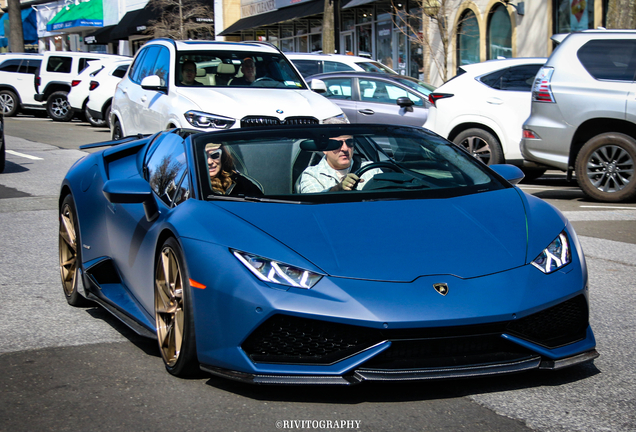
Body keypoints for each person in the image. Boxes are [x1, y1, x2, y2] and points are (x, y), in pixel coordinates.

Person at [297, 135, 379, 193]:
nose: (345, 148)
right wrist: (338, 189)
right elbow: (313, 206)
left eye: (349, 142)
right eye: (337, 144)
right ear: (325, 149)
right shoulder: (312, 174)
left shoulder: (371, 169)